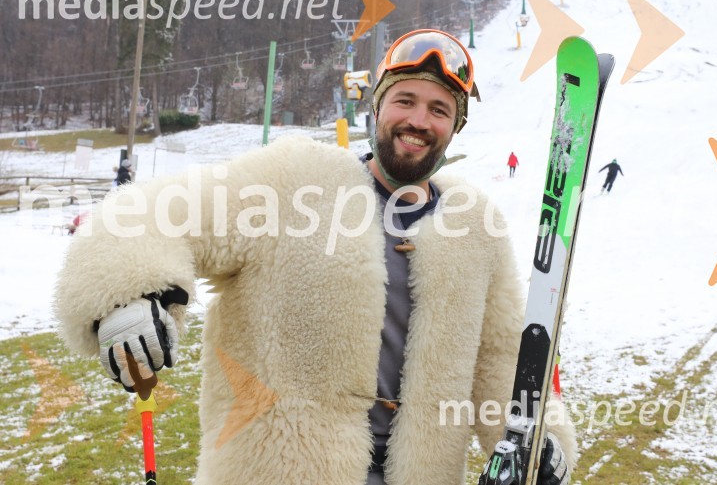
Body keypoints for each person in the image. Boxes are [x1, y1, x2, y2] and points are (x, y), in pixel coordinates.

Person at [53, 29, 577, 485]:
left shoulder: (475, 227)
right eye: (405, 100)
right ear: (377, 105)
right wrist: (125, 290)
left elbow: (505, 359)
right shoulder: (292, 182)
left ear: (455, 127)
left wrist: (542, 441)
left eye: (439, 109)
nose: (419, 120)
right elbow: (153, 213)